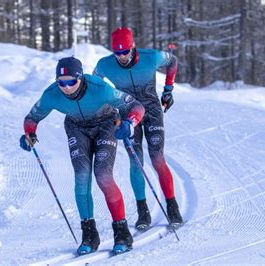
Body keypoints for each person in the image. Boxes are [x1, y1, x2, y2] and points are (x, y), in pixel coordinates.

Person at [19, 57, 145, 254]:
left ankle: (122, 232)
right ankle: (89, 235)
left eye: (71, 82)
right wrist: (29, 133)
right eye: (61, 83)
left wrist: (130, 123)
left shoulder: (99, 87)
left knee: (103, 175)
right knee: (81, 178)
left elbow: (136, 106)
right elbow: (32, 117)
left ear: (80, 78)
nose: (66, 88)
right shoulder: (51, 94)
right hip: (77, 128)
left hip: (105, 124)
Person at [93, 27, 183, 231]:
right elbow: (95, 86)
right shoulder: (105, 65)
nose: (122, 57)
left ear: (133, 46)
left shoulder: (152, 57)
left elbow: (173, 61)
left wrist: (168, 89)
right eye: (117, 53)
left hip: (151, 111)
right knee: (136, 162)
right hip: (127, 116)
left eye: (125, 51)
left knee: (157, 158)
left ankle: (172, 206)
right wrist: (108, 108)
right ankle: (143, 211)